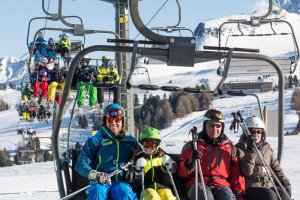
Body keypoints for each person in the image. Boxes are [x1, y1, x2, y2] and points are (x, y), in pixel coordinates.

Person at [177, 108, 245, 200]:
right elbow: (181, 173)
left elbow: (236, 174)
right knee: (206, 197)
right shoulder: (193, 146)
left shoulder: (230, 149)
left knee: (227, 197)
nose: (214, 129)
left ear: (222, 128)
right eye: (210, 125)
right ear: (205, 126)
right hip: (198, 183)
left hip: (221, 185)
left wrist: (239, 193)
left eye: (218, 126)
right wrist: (190, 161)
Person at [75, 103, 138, 200]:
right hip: (100, 182)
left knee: (124, 193)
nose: (113, 123)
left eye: (117, 120)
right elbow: (80, 163)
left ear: (122, 122)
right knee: (97, 191)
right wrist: (94, 175)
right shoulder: (95, 141)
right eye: (110, 120)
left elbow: (144, 154)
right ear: (105, 121)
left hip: (121, 182)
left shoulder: (130, 141)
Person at [235, 116, 291, 200]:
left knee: (284, 195)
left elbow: (276, 168)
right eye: (252, 131)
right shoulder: (239, 148)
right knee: (270, 196)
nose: (256, 134)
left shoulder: (266, 147)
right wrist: (250, 151)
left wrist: (285, 181)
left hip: (269, 184)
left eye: (259, 131)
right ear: (246, 132)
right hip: (251, 186)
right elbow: (247, 172)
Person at [132, 127, 177, 200]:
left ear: (158, 144)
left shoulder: (162, 157)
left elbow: (168, 182)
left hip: (162, 187)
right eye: (147, 143)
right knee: (152, 197)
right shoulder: (137, 157)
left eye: (153, 144)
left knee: (169, 197)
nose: (150, 147)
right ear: (141, 144)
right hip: (146, 188)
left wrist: (167, 169)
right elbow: (135, 185)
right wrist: (138, 171)